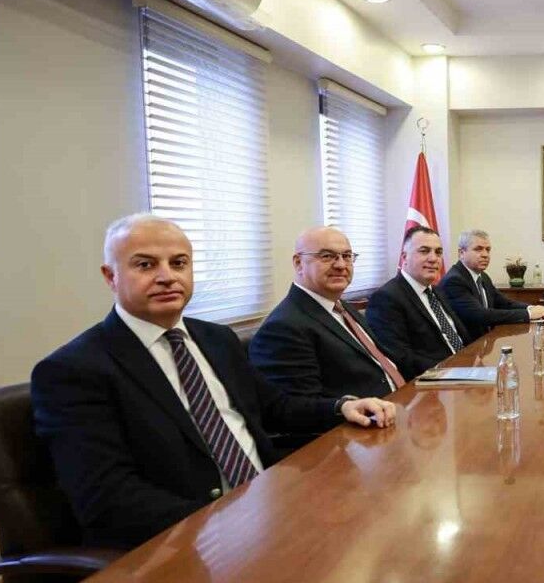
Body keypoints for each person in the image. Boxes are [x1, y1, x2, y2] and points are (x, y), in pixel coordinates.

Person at [31, 214, 395, 549]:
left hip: (271, 505)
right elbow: (108, 499)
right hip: (186, 541)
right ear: (110, 276)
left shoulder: (216, 339)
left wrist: (342, 406)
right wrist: (233, 518)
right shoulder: (74, 370)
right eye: (145, 265)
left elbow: (276, 407)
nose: (166, 276)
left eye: (179, 263)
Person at [249, 226, 404, 402]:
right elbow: (297, 407)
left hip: (401, 401)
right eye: (327, 256)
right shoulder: (282, 327)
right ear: (299, 263)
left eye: (347, 256)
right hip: (368, 416)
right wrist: (346, 407)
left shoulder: (342, 307)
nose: (341, 265)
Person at [366, 226, 473, 379]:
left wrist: (473, 360)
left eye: (438, 252)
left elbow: (460, 336)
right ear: (404, 257)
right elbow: (401, 358)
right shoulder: (386, 298)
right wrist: (453, 372)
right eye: (424, 251)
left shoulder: (437, 291)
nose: (433, 258)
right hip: (435, 380)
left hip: (466, 369)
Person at [439, 229, 544, 341]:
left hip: (485, 341)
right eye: (478, 249)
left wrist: (531, 308)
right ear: (461, 253)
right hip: (467, 345)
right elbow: (480, 315)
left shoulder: (483, 276)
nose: (485, 255)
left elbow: (504, 303)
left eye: (488, 250)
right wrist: (529, 314)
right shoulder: (454, 280)